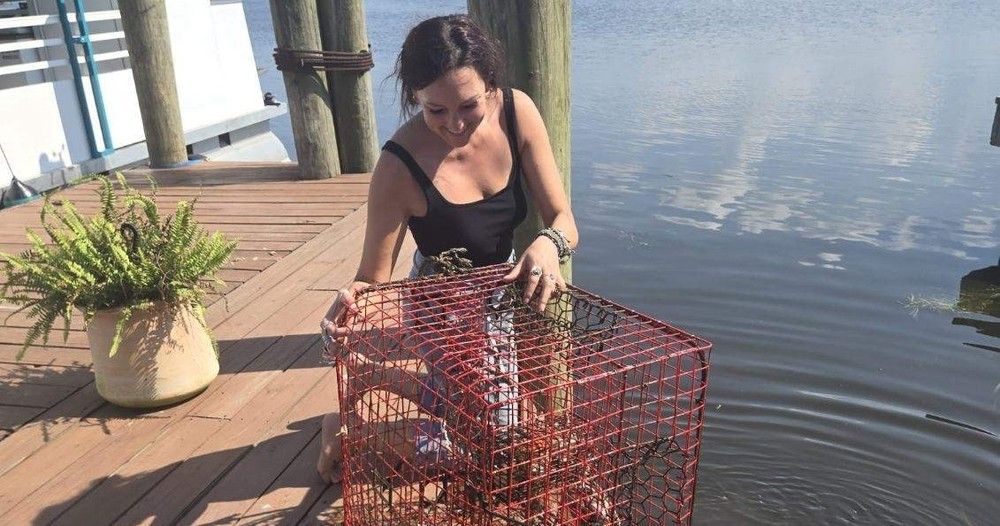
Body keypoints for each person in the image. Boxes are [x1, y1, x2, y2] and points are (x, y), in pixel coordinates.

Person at [316, 14, 578, 485]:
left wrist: (547, 242)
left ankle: (376, 378)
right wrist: (349, 302)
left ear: (491, 85)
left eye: (469, 105)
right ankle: (349, 429)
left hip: (506, 293)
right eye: (436, 110)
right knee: (485, 440)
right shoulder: (398, 165)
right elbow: (372, 277)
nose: (456, 124)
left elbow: (565, 220)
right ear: (415, 97)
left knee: (514, 425)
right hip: (440, 304)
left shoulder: (518, 112)